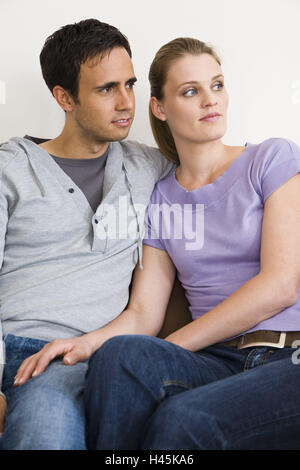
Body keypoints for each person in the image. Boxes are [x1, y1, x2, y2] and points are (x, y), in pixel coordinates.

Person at [82, 37, 300, 450]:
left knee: (185, 419)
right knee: (119, 357)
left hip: (289, 358)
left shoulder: (272, 160)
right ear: (159, 108)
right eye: (190, 91)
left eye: (216, 86)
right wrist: (82, 346)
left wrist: (175, 345)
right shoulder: (161, 198)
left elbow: (280, 285)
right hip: (215, 362)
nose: (209, 101)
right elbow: (144, 312)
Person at [0, 19, 175, 449]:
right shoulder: (11, 169)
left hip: (103, 360)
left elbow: (216, 169)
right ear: (64, 98)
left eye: (129, 84)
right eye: (106, 89)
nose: (126, 103)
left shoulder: (147, 166)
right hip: (23, 354)